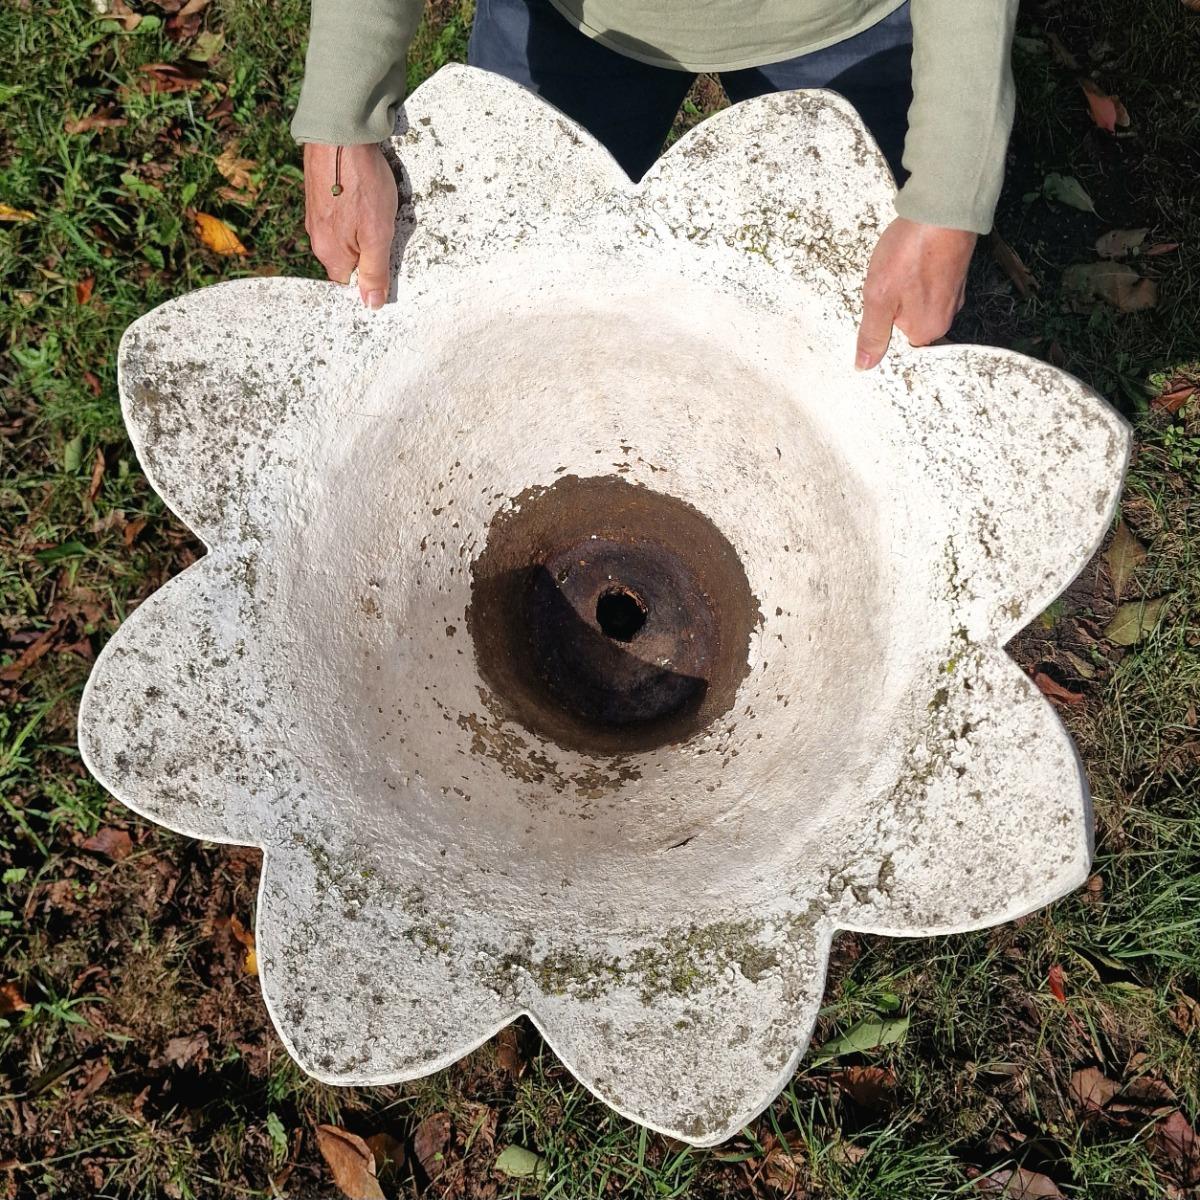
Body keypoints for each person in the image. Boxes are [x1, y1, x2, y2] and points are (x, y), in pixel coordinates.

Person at [293, 0, 1018, 370]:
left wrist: (948, 189)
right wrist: (343, 111)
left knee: (860, 360)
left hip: (837, 24)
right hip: (569, 20)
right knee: (494, 326)